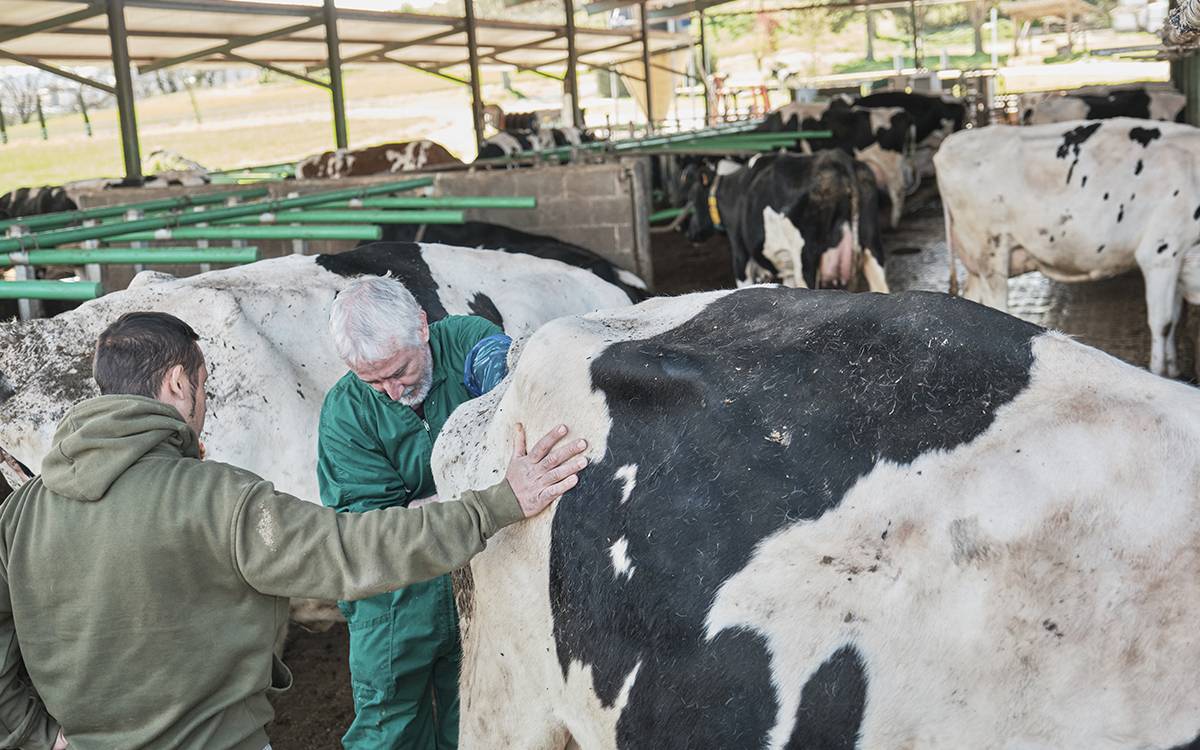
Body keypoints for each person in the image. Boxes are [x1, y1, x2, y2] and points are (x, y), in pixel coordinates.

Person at [0, 311, 587, 750]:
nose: (204, 405)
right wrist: (497, 504)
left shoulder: (22, 511)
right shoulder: (217, 499)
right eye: (204, 386)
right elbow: (352, 549)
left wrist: (34, 733)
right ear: (178, 384)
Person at [316, 276, 517, 749]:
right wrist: (482, 492)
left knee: (474, 716)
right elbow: (378, 529)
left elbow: (505, 375)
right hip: (395, 593)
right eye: (372, 381)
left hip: (479, 575)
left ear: (423, 327)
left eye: (399, 370)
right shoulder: (345, 414)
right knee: (389, 726)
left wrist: (507, 381)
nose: (391, 391)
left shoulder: (464, 340)